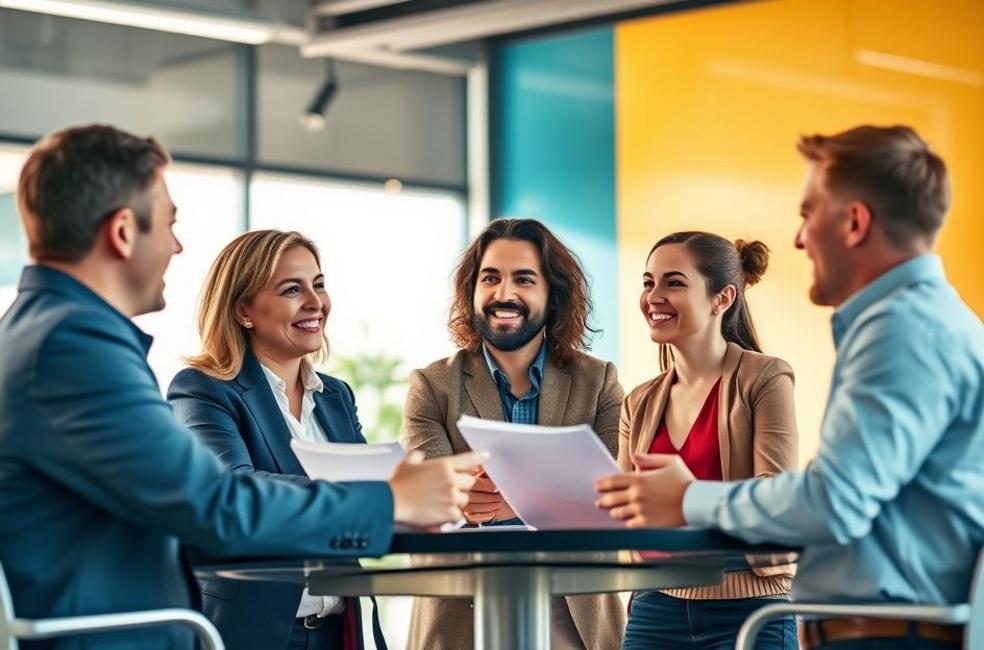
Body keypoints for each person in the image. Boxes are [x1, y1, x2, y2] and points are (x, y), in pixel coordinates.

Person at [0, 124, 482, 650]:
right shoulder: (75, 347)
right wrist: (387, 499)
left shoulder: (42, 332)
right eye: (169, 224)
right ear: (121, 232)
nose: (177, 246)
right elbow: (216, 506)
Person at [595, 125, 984, 650]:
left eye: (807, 213)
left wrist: (689, 498)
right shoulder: (921, 322)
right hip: (869, 628)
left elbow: (832, 500)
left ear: (854, 222)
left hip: (887, 635)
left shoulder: (902, 330)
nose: (799, 238)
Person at [401, 218, 626, 650]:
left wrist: (515, 497)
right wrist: (454, 501)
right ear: (472, 292)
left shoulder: (598, 382)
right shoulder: (431, 386)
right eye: (490, 279)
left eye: (523, 279)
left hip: (575, 611)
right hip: (460, 614)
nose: (504, 294)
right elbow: (426, 497)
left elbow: (609, 492)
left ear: (552, 295)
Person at [167, 229, 383, 650]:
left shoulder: (336, 396)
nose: (315, 302)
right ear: (244, 309)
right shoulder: (202, 390)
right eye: (292, 289)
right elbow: (235, 493)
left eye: (318, 285)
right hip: (252, 633)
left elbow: (374, 486)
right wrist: (374, 495)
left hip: (338, 633)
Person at [614, 231, 798, 650]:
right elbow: (624, 513)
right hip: (655, 607)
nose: (654, 296)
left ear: (723, 298)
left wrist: (685, 497)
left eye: (674, 283)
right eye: (648, 283)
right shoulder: (638, 402)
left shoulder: (765, 378)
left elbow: (777, 499)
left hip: (751, 606)